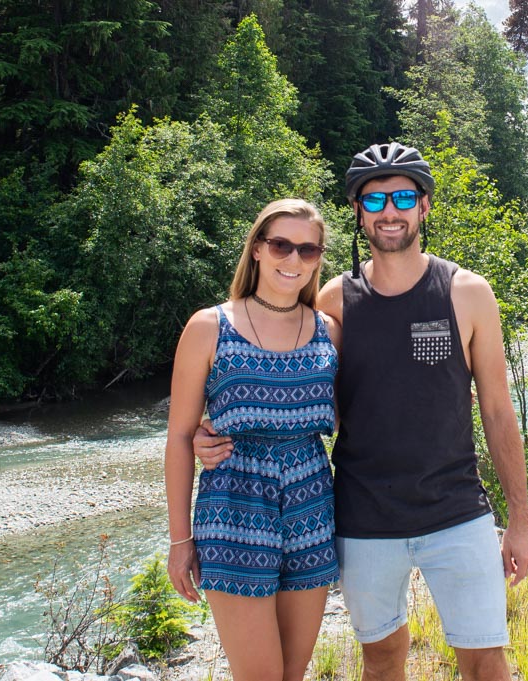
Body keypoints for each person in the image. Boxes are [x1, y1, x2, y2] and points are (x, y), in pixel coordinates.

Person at [195, 143, 528, 681]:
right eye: (375, 201)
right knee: (380, 658)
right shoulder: (332, 301)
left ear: (424, 206)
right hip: (363, 518)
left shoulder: (467, 293)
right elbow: (275, 368)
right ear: (358, 213)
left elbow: (497, 410)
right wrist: (207, 427)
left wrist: (520, 520)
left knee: (485, 659)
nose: (389, 211)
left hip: (457, 511)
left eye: (403, 197)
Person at [165, 198, 340, 681]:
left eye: (308, 250)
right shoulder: (209, 326)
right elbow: (180, 438)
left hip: (312, 507)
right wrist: (181, 541)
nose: (294, 260)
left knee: (294, 671)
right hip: (234, 506)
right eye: (281, 244)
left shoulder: (329, 331)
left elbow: (356, 417)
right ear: (258, 249)